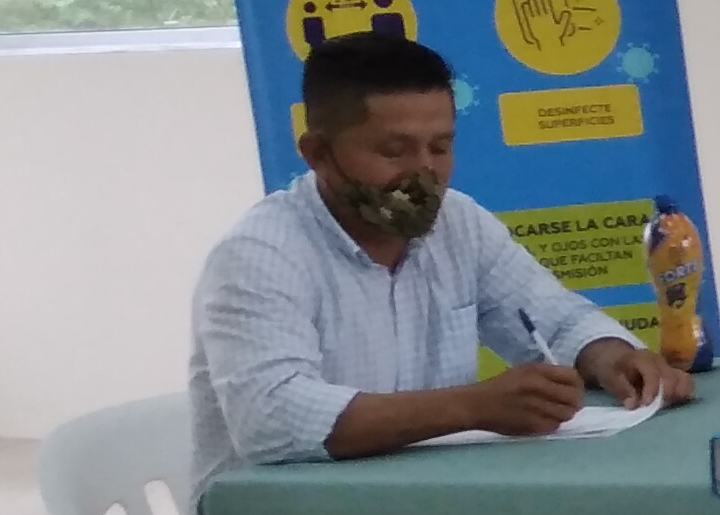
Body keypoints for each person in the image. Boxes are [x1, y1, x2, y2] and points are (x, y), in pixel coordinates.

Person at [188, 33, 691, 485]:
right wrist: (472, 406)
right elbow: (270, 419)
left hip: (431, 510)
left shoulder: (459, 222)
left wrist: (613, 358)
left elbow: (557, 319)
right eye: (394, 151)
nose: (424, 173)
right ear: (317, 152)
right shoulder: (260, 255)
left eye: (440, 147)